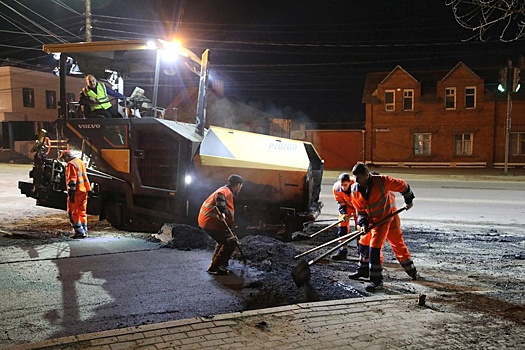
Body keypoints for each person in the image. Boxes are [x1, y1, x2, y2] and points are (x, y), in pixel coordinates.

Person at [348, 163, 417, 292]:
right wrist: (363, 224)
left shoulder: (382, 182)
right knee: (363, 243)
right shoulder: (355, 189)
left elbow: (402, 185)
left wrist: (409, 200)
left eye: (359, 177)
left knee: (376, 248)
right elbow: (360, 210)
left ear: (367, 175)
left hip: (384, 220)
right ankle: (363, 270)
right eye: (355, 177)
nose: (356, 180)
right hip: (371, 221)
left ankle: (377, 281)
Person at [198, 174, 244, 275]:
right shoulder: (225, 191)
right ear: (238, 185)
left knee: (222, 241)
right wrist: (222, 210)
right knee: (230, 242)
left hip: (207, 221)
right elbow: (220, 196)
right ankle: (215, 267)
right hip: (210, 222)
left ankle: (219, 262)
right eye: (240, 187)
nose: (240, 189)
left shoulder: (225, 190)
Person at [59, 150, 91, 239]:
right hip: (84, 190)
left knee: (73, 212)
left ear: (66, 156)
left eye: (63, 159)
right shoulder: (80, 162)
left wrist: (71, 193)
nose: (64, 161)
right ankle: (84, 231)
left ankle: (79, 232)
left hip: (76, 192)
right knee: (82, 212)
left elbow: (72, 180)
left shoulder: (71, 164)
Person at [330, 173, 356, 260]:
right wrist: (344, 213)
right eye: (342, 185)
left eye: (346, 185)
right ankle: (342, 250)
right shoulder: (336, 188)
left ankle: (363, 253)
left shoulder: (357, 186)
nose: (344, 187)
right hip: (347, 207)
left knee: (361, 228)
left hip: (359, 207)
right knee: (342, 227)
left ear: (350, 182)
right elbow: (340, 202)